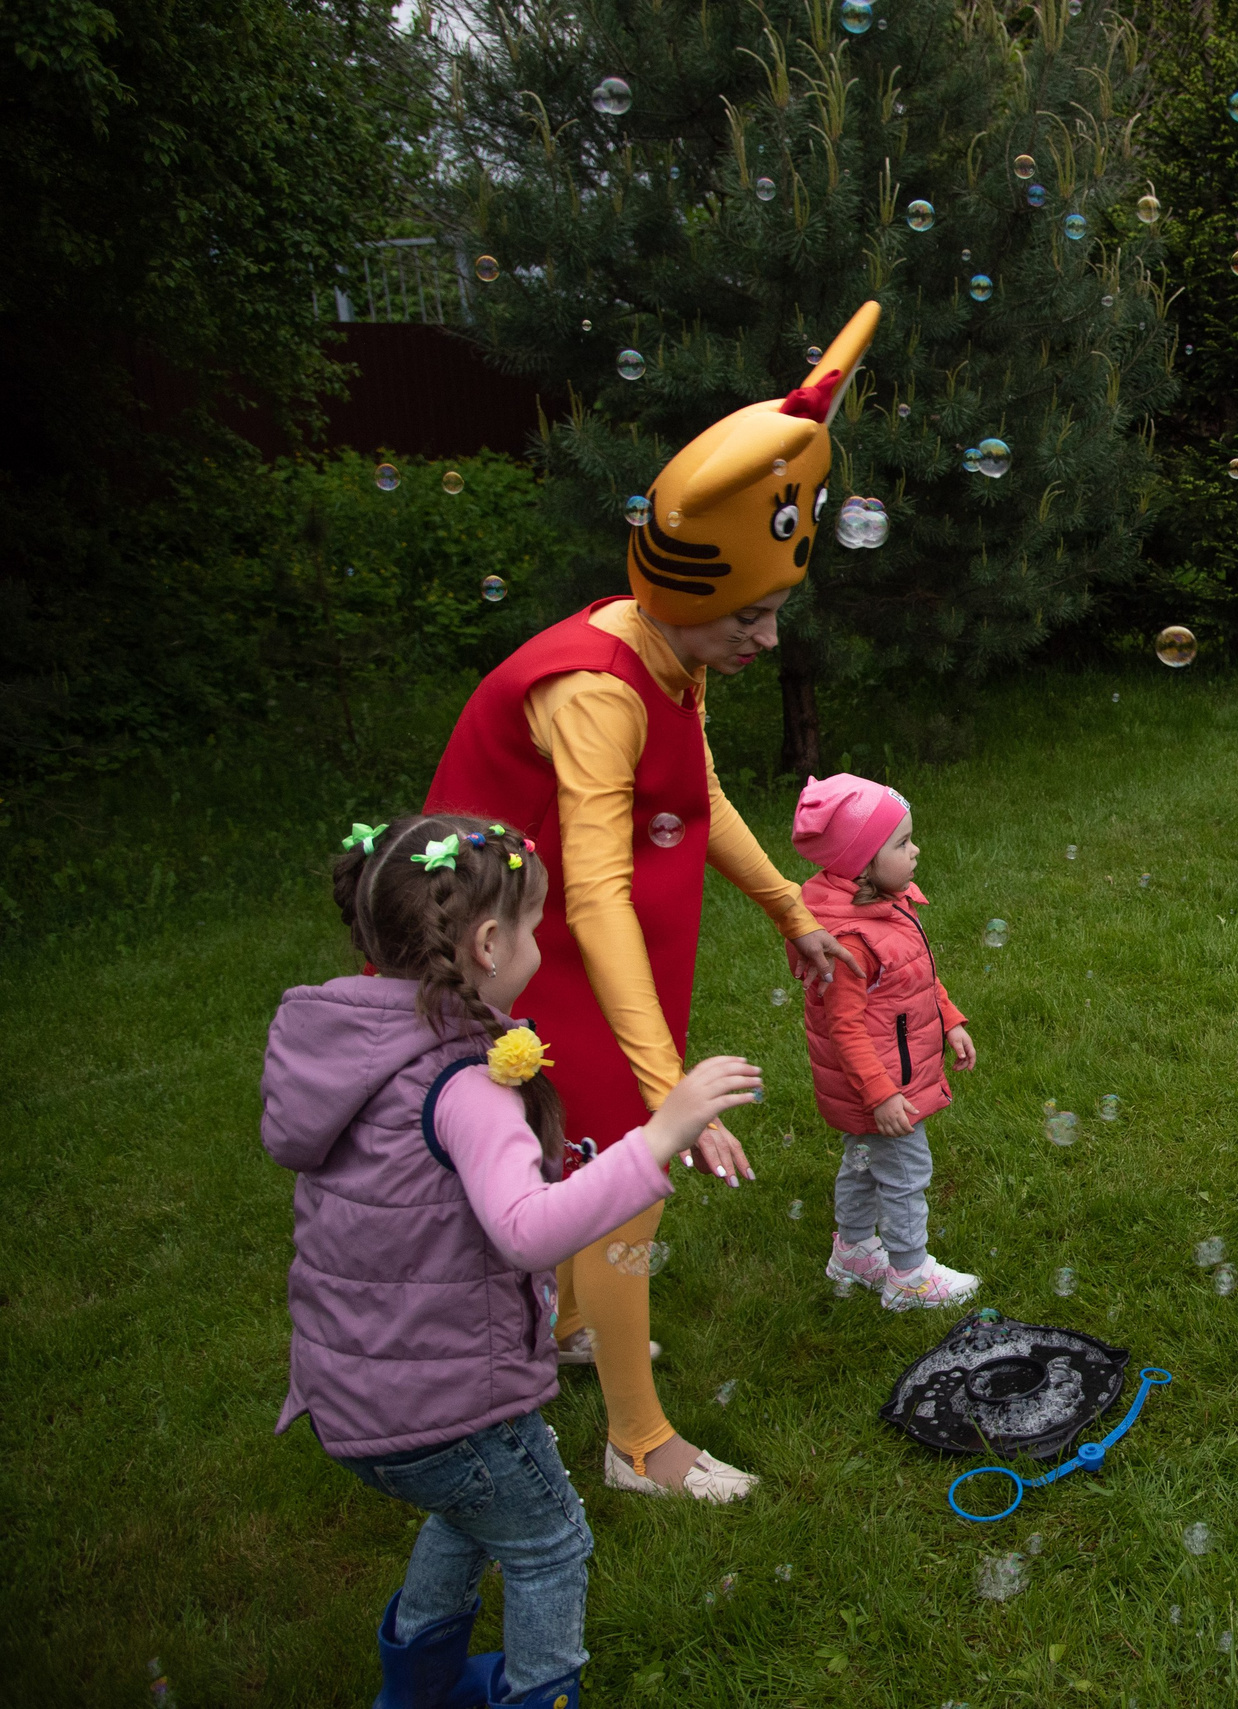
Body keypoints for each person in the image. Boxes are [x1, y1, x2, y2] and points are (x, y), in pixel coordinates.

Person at [424, 305, 880, 1502]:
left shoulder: (670, 654)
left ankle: (568, 1323)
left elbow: (697, 794)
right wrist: (662, 1073)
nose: (765, 639)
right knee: (626, 1153)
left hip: (568, 933)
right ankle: (639, 1444)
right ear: (683, 593)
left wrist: (789, 906)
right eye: (750, 618)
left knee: (579, 1134)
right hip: (521, 942)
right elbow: (592, 884)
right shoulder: (596, 690)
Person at [262, 815, 763, 1706]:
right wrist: (657, 1136)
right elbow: (527, 1232)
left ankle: (415, 1688)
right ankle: (538, 1693)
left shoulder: (359, 1052)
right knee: (549, 1543)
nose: (541, 940)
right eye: (534, 926)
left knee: (468, 1511)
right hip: (457, 1402)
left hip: (360, 1394)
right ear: (489, 943)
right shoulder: (464, 1084)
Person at [791, 773, 984, 1311]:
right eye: (901, 843)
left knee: (861, 1162)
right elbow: (844, 1029)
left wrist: (949, 1021)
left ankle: (852, 1250)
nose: (916, 849)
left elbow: (916, 977)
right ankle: (909, 1275)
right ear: (861, 864)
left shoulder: (884, 907)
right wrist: (880, 1095)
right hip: (882, 1085)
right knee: (904, 1172)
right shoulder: (850, 940)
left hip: (878, 1081)